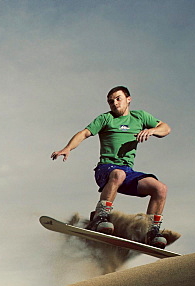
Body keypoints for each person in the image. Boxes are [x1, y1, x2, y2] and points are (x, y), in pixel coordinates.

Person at [50, 86, 171, 247]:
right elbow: (84, 133)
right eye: (110, 101)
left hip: (128, 173)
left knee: (160, 188)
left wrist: (152, 130)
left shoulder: (140, 117)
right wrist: (67, 148)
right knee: (118, 174)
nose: (114, 103)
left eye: (118, 99)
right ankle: (100, 217)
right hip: (105, 170)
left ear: (128, 99)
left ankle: (150, 231)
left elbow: (166, 128)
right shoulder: (105, 119)